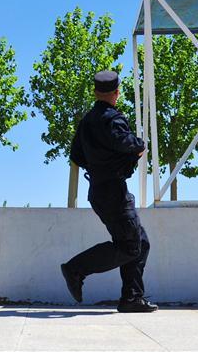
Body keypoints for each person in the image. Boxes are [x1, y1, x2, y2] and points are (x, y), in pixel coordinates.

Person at [60, 70, 158, 313]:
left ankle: (132, 298)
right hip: (113, 191)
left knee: (140, 242)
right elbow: (124, 142)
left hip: (99, 190)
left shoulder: (87, 121)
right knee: (130, 247)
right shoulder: (112, 118)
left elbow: (76, 155)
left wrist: (99, 166)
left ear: (95, 92)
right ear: (116, 93)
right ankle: (76, 268)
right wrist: (140, 146)